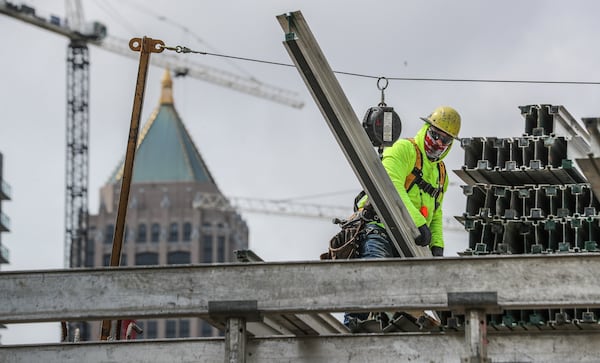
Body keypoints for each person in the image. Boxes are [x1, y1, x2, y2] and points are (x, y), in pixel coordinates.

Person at [344, 105, 461, 330]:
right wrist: (417, 223)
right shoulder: (404, 149)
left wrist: (437, 245)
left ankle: (387, 331)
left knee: (402, 296)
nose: (437, 143)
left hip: (408, 239)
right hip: (379, 228)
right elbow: (390, 185)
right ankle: (353, 329)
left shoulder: (441, 173)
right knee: (373, 277)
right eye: (435, 135)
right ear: (426, 128)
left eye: (444, 140)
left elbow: (436, 211)